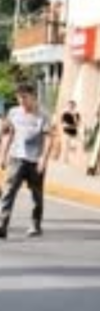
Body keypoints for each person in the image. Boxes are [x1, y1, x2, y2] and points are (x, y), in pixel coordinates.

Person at [0, 83, 54, 239]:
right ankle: (2, 225)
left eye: (24, 97)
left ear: (33, 97)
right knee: (8, 192)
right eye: (19, 97)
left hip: (35, 161)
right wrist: (3, 155)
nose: (21, 101)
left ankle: (35, 224)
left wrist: (43, 159)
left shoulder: (43, 115)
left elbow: (49, 138)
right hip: (16, 158)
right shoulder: (13, 113)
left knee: (36, 195)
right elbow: (8, 134)